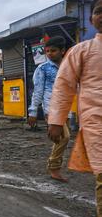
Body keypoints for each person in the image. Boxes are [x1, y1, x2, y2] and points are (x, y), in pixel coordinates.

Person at [48, 0, 102, 217]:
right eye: (99, 10)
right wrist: (55, 120)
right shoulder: (83, 50)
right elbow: (63, 87)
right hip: (95, 121)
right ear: (92, 18)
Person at [28, 36, 69, 182]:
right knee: (65, 137)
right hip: (51, 109)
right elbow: (37, 91)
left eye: (53, 50)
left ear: (62, 51)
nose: (50, 53)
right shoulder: (42, 68)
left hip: (66, 108)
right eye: (47, 51)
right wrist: (33, 111)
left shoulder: (68, 66)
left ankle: (55, 168)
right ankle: (53, 167)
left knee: (59, 139)